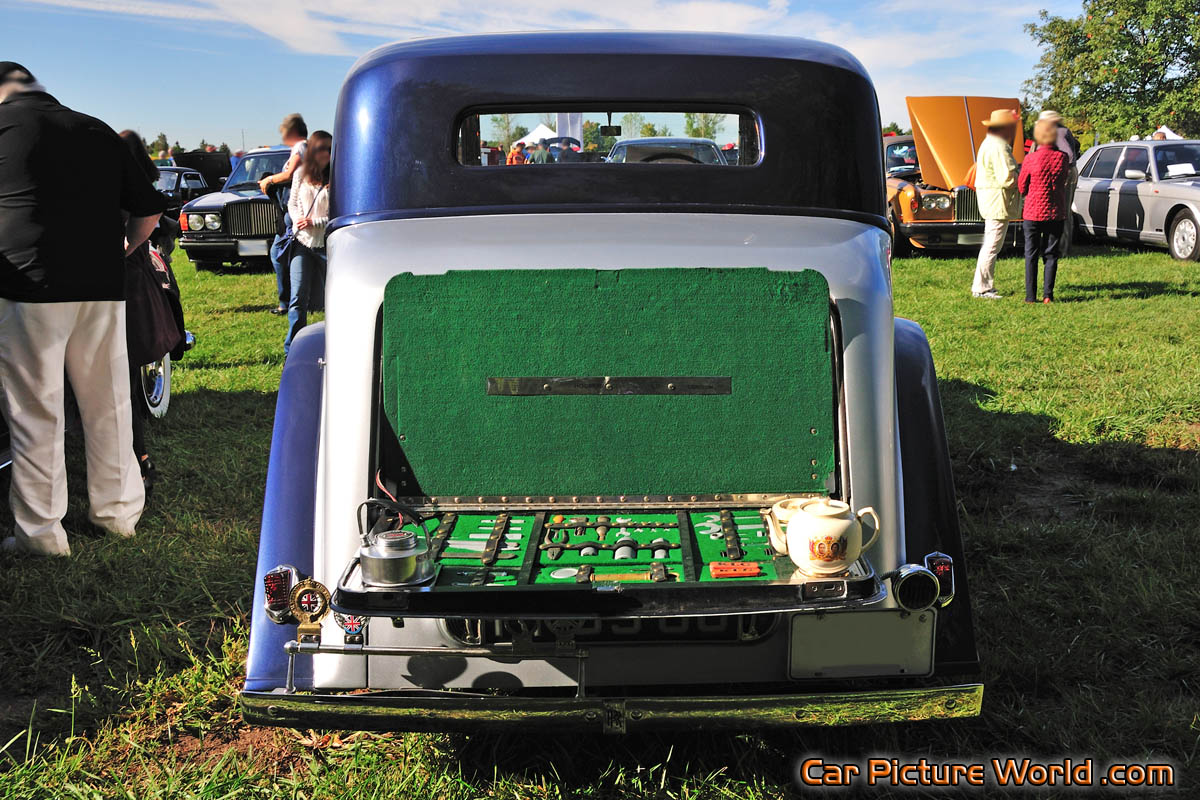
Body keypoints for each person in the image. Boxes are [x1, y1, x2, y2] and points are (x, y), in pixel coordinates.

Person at [0, 63, 165, 556]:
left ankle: (43, 535)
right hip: (100, 285)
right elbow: (149, 212)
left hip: (26, 284)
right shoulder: (95, 129)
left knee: (35, 411)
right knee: (109, 402)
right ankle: (117, 514)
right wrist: (122, 252)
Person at [284, 131, 331, 355]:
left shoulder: (338, 176)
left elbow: (337, 213)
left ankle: (332, 342)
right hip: (302, 243)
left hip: (327, 245)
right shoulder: (301, 173)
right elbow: (292, 203)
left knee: (331, 297)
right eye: (321, 148)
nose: (325, 154)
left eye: (329, 149)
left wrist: (315, 221)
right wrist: (297, 221)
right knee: (297, 297)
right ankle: (292, 349)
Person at [259, 113, 308, 315]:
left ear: (292, 132)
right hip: (294, 211)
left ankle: (285, 302)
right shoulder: (303, 147)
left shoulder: (300, 147)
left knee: (277, 255)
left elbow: (289, 175)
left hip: (294, 211)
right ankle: (293, 300)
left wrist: (269, 180)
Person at [971, 109, 1021, 299]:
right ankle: (982, 288)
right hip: (997, 201)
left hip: (991, 199)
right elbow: (1007, 177)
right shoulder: (1000, 146)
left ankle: (982, 286)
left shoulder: (988, 143)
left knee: (991, 244)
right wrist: (1023, 176)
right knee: (992, 246)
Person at [1018, 120, 1070, 304]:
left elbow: (1022, 186)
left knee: (1030, 253)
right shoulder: (1063, 158)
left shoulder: (1030, 159)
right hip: (1055, 212)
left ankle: (1030, 296)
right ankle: (1048, 295)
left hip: (1033, 212)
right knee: (1051, 254)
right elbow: (1063, 181)